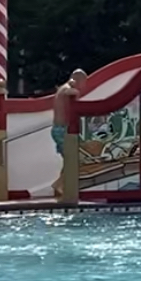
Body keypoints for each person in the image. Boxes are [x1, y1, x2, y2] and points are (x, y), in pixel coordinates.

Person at [51, 68, 87, 200]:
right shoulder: (66, 88)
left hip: (60, 129)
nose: (85, 86)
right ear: (78, 80)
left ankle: (61, 187)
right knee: (73, 160)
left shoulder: (62, 89)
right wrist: (75, 91)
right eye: (84, 82)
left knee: (69, 160)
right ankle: (58, 185)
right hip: (62, 130)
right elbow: (71, 92)